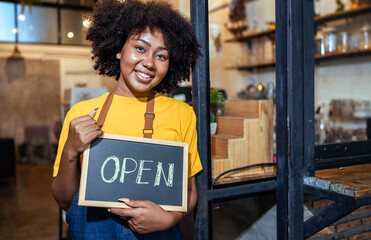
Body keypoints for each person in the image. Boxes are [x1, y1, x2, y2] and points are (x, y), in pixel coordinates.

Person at [51, 0, 202, 239]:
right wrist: (71, 149)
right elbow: (65, 201)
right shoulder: (82, 113)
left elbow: (190, 189)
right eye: (140, 48)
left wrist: (169, 218)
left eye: (161, 56)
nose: (149, 63)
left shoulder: (181, 113)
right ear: (119, 48)